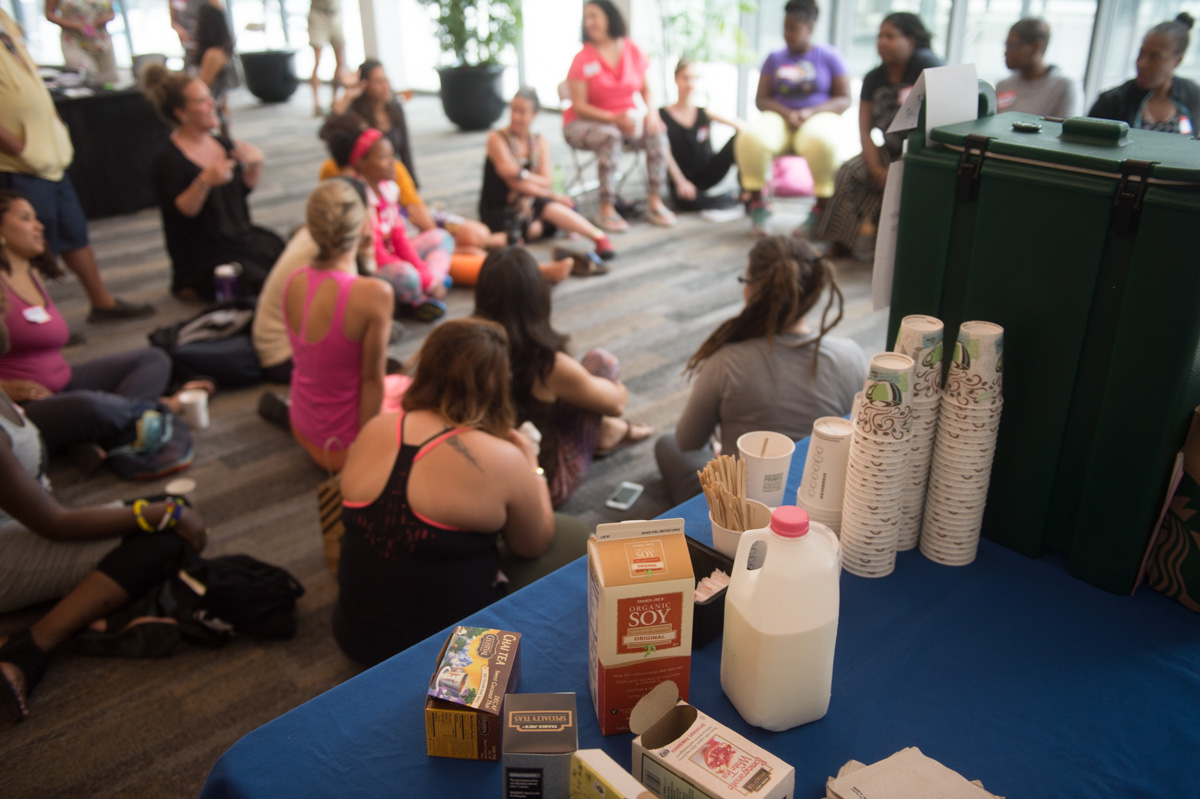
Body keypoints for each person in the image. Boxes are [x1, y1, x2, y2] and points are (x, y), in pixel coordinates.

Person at [0, 284, 209, 723]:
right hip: (11, 548)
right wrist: (159, 514)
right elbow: (53, 523)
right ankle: (33, 647)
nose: (7, 312)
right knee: (166, 537)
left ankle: (106, 615)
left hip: (26, 518)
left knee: (162, 510)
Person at [333, 317, 589, 666]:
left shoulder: (376, 427)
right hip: (450, 654)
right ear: (498, 384)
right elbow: (534, 543)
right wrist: (532, 463)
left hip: (355, 638)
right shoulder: (503, 458)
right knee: (571, 534)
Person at [655, 236, 867, 505]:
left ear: (751, 291)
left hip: (743, 508)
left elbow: (688, 442)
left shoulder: (726, 362)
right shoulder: (850, 355)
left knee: (668, 444)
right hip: (821, 499)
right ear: (813, 293)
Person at [0, 190, 210, 458]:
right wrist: (4, 389)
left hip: (66, 381)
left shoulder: (31, 272)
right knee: (91, 406)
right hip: (26, 404)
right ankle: (161, 408)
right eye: (25, 218)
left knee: (152, 360)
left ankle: (105, 430)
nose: (39, 225)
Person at [0, 8, 153, 323]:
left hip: (48, 155)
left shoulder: (5, 18)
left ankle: (102, 302)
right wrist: (21, 148)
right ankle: (36, 323)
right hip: (18, 164)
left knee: (74, 231)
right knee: (29, 244)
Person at [474, 248, 652, 507]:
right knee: (602, 363)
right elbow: (617, 404)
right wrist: (617, 390)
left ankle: (607, 430)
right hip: (542, 485)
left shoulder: (470, 346)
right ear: (538, 297)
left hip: (486, 474)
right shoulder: (547, 365)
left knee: (570, 388)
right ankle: (609, 431)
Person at [282, 180, 404, 473]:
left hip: (302, 426)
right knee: (415, 392)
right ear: (363, 226)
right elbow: (371, 379)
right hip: (342, 448)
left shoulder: (294, 281)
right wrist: (365, 452)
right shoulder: (374, 295)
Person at [142, 63, 284, 301]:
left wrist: (255, 165)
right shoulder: (167, 159)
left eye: (210, 98)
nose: (212, 105)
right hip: (204, 250)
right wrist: (204, 182)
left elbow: (240, 193)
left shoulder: (222, 143)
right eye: (201, 101)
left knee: (283, 255)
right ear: (181, 112)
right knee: (255, 282)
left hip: (237, 234)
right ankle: (191, 286)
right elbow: (182, 212)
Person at [816, 13, 943, 260]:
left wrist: (896, 167)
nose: (882, 42)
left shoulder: (928, 67)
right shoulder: (874, 78)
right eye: (879, 36)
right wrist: (876, 169)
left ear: (910, 40)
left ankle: (897, 252)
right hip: (888, 151)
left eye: (890, 36)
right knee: (848, 171)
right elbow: (864, 129)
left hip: (921, 155)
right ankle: (842, 242)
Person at [735, 0, 851, 235]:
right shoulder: (774, 58)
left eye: (793, 28)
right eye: (784, 27)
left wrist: (811, 112)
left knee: (822, 141)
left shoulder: (830, 56)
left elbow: (845, 99)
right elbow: (762, 99)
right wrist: (788, 113)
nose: (787, 34)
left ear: (810, 27)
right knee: (750, 138)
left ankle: (820, 210)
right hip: (781, 116)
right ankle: (758, 205)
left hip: (818, 115)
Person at [563, 0, 676, 232]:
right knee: (610, 136)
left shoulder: (632, 50)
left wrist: (652, 114)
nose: (589, 22)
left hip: (625, 122)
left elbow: (646, 90)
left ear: (609, 17)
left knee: (657, 132)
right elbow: (580, 106)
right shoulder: (582, 58)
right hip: (583, 123)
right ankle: (606, 206)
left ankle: (655, 199)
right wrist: (614, 119)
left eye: (594, 16)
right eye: (587, 18)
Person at [482, 87, 615, 271]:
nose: (515, 117)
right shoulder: (496, 139)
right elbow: (513, 182)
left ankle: (598, 236)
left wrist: (521, 173)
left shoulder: (539, 142)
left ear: (535, 114)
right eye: (513, 110)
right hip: (500, 207)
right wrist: (550, 193)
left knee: (545, 209)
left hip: (529, 201)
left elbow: (545, 180)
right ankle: (531, 235)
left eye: (522, 112)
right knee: (542, 215)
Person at [346, 128, 450, 321]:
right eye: (384, 157)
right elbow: (374, 255)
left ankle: (427, 287)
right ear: (362, 162)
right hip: (371, 267)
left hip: (393, 256)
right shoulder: (360, 200)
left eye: (392, 155)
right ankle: (419, 297)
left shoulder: (389, 190)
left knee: (442, 238)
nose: (392, 162)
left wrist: (426, 277)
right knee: (407, 275)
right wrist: (419, 273)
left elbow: (400, 240)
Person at [1089, 13, 1198, 135]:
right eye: (1141, 53)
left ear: (1177, 61)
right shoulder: (1112, 102)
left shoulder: (1194, 98)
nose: (1142, 63)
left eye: (1154, 57)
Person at [660, 58, 743, 213]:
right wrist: (680, 182)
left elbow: (738, 125)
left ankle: (747, 190)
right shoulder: (662, 115)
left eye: (694, 78)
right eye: (685, 78)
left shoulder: (703, 112)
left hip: (707, 172)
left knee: (741, 138)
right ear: (676, 79)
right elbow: (664, 152)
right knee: (686, 202)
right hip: (682, 177)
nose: (690, 83)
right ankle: (734, 198)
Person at [332, 60, 418, 187]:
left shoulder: (395, 109)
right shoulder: (355, 114)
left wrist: (412, 184)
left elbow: (405, 151)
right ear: (364, 85)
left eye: (386, 80)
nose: (385, 86)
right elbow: (329, 131)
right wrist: (347, 96)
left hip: (392, 175)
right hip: (368, 181)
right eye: (378, 81)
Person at [995, 18, 1080, 119]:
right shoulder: (1004, 85)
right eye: (1006, 46)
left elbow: (1066, 130)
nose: (1006, 52)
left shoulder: (1063, 85)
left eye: (1013, 46)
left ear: (1036, 47)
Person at [45, 0, 118, 85]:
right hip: (74, 42)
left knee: (110, 81)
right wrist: (77, 26)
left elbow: (111, 12)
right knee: (86, 80)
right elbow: (49, 14)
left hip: (101, 42)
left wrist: (105, 19)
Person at [194, 3, 236, 138]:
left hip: (207, 106)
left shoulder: (212, 54)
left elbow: (202, 86)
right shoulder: (224, 50)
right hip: (218, 106)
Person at [308, 0, 350, 117]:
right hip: (318, 14)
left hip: (335, 15)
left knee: (340, 62)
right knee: (317, 62)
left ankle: (334, 100)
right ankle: (317, 104)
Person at [170, 0, 220, 70]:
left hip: (207, 41)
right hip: (189, 44)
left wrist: (202, 36)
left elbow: (218, 17)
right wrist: (181, 31)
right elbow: (173, 22)